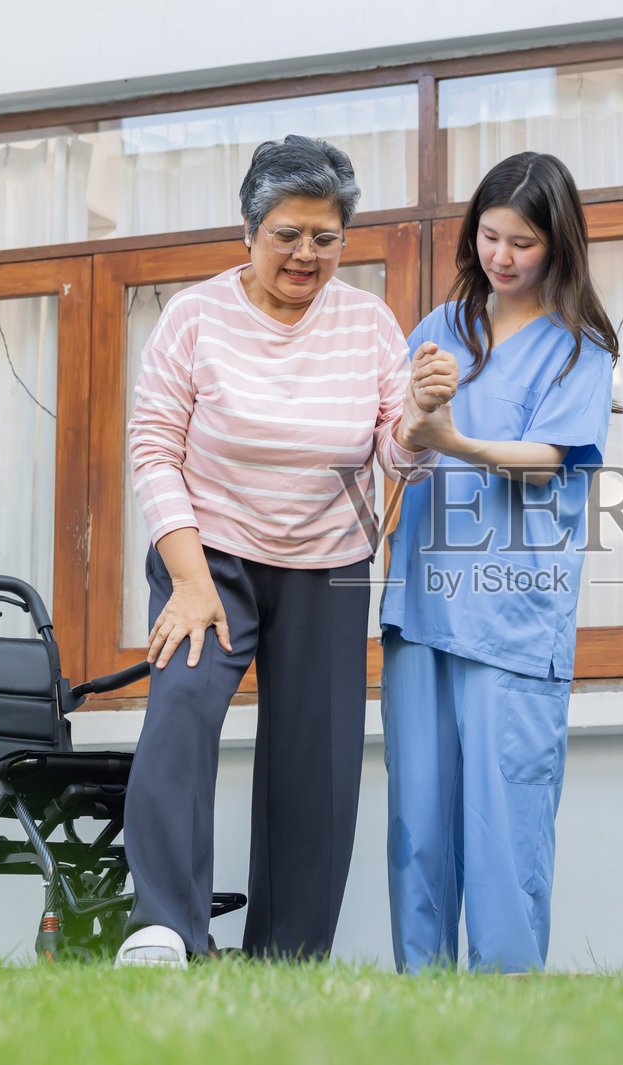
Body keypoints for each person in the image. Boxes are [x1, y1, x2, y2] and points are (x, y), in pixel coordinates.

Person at [117, 134, 457, 966]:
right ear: (249, 229)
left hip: (328, 562)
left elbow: (394, 455)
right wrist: (189, 581)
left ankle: (289, 956)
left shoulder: (371, 322)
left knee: (319, 758)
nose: (306, 254)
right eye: (288, 234)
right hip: (212, 554)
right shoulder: (194, 317)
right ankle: (165, 924)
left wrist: (417, 418)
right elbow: (154, 447)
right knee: (182, 710)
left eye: (325, 237)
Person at [379, 152, 619, 973]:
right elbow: (393, 446)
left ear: (558, 246)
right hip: (420, 608)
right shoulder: (436, 331)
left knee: (502, 823)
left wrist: (454, 438)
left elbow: (546, 460)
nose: (502, 255)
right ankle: (422, 996)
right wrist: (416, 417)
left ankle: (505, 1004)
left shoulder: (578, 351)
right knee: (418, 820)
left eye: (522, 241)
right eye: (488, 235)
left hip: (512, 620)